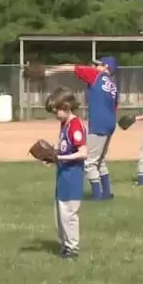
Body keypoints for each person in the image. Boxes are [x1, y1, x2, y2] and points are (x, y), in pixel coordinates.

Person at [54, 57, 118, 200]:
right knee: (100, 160)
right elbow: (115, 107)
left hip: (99, 124)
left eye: (99, 64)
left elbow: (71, 68)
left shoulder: (96, 75)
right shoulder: (113, 85)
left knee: (89, 161)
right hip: (110, 124)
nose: (95, 66)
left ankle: (97, 196)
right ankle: (106, 193)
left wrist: (49, 71)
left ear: (105, 67)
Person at [46, 88, 89, 259]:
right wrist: (52, 156)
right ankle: (65, 244)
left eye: (56, 110)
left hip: (73, 176)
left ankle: (72, 247)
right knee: (59, 214)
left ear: (66, 106)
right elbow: (63, 148)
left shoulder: (76, 126)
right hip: (63, 175)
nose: (55, 114)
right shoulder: (65, 124)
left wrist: (60, 157)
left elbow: (83, 152)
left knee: (69, 214)